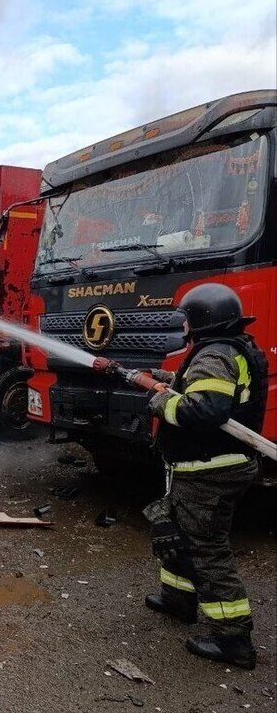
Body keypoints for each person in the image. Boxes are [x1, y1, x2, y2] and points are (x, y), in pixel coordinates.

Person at [143, 283, 268, 669]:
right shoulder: (229, 349)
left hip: (210, 469)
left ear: (200, 322)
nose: (183, 327)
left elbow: (203, 411)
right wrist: (158, 376)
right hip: (209, 466)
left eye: (186, 320)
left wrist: (160, 400)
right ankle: (178, 599)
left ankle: (233, 637)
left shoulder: (214, 355)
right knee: (179, 532)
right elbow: (199, 385)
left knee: (206, 547)